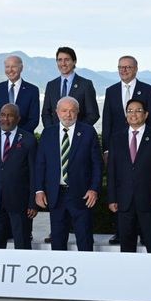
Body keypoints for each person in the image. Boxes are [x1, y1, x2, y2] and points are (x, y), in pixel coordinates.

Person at [100, 55, 151, 245]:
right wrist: (107, 149)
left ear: (136, 69)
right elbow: (107, 121)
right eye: (120, 67)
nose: (124, 70)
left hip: (142, 147)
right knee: (122, 192)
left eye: (127, 67)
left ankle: (144, 234)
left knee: (142, 193)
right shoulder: (110, 91)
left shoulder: (148, 90)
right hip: (119, 149)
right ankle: (120, 233)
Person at [35, 97, 102, 251]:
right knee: (57, 241)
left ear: (78, 112)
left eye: (72, 110)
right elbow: (40, 164)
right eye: (64, 110)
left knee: (84, 240)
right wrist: (39, 190)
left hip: (82, 195)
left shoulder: (88, 132)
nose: (68, 114)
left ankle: (86, 272)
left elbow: (97, 164)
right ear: (57, 112)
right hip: (56, 195)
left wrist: (94, 189)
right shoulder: (48, 133)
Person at [106, 99, 151, 253]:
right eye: (130, 111)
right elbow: (112, 171)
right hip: (124, 201)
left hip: (150, 201)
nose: (133, 114)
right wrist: (112, 198)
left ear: (146, 114)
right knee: (126, 246)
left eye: (138, 110)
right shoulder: (116, 138)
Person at [0, 103, 38, 249]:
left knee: (22, 242)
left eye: (10, 115)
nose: (5, 119)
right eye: (2, 115)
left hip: (20, 203)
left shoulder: (29, 140)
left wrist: (32, 203)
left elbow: (34, 173)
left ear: (18, 118)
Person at [41, 47, 100, 128]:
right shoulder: (51, 85)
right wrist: (52, 131)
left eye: (67, 60)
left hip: (79, 136)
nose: (63, 63)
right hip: (56, 136)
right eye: (60, 60)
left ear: (74, 61)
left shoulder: (85, 84)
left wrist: (76, 131)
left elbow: (93, 114)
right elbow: (46, 113)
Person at [0, 55, 40, 133]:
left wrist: (17, 136)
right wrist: (2, 135)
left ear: (21, 68)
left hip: (23, 140)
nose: (10, 70)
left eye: (14, 66)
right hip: (0, 139)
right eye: (7, 67)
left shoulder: (32, 90)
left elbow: (34, 119)